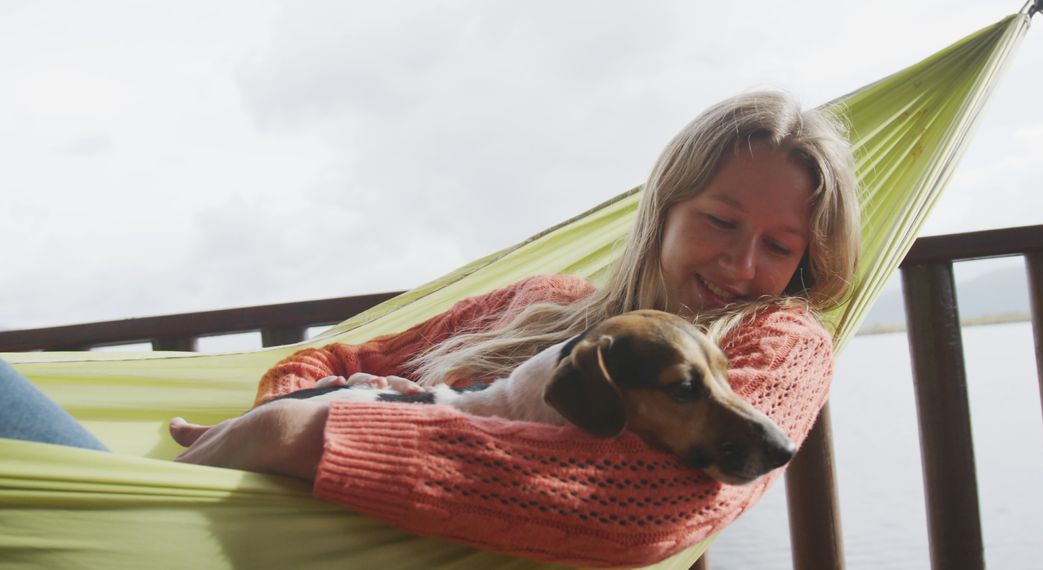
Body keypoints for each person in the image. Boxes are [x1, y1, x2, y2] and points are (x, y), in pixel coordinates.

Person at [5, 90, 861, 567]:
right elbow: (332, 359)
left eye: (781, 245)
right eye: (718, 220)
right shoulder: (538, 306)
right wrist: (331, 405)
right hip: (224, 532)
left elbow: (651, 508)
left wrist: (321, 439)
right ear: (663, 210)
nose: (743, 265)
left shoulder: (774, 345)